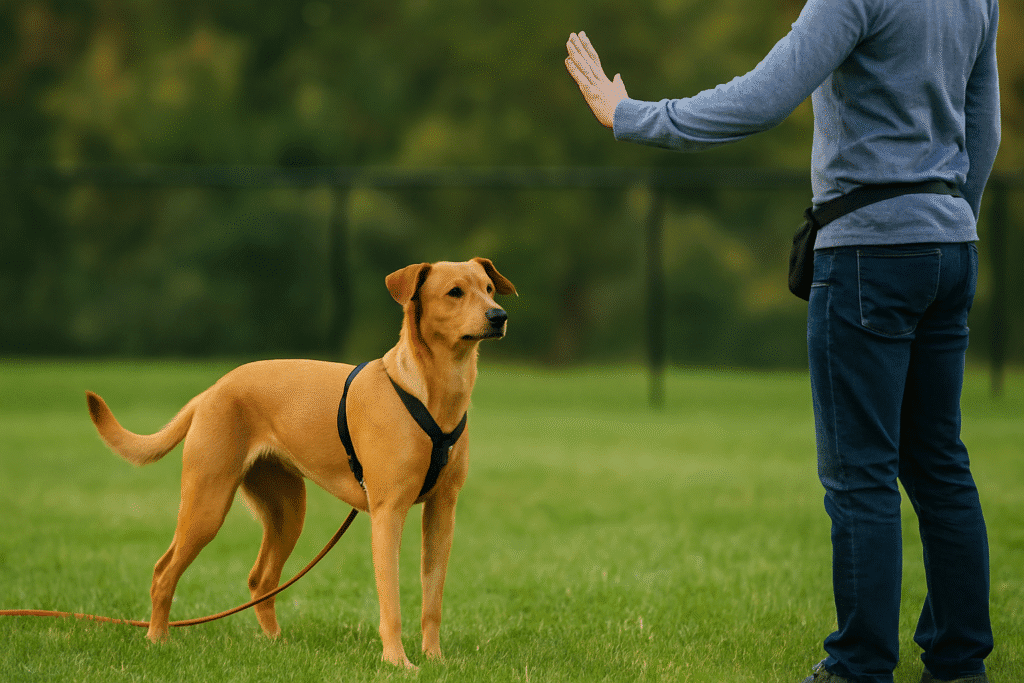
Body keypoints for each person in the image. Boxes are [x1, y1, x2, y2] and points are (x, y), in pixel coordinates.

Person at [565, 0, 1000, 681]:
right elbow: (986, 127)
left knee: (861, 475)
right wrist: (944, 220)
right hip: (950, 245)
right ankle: (959, 661)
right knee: (941, 462)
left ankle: (858, 667)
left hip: (867, 255)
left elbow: (765, 98)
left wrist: (632, 115)